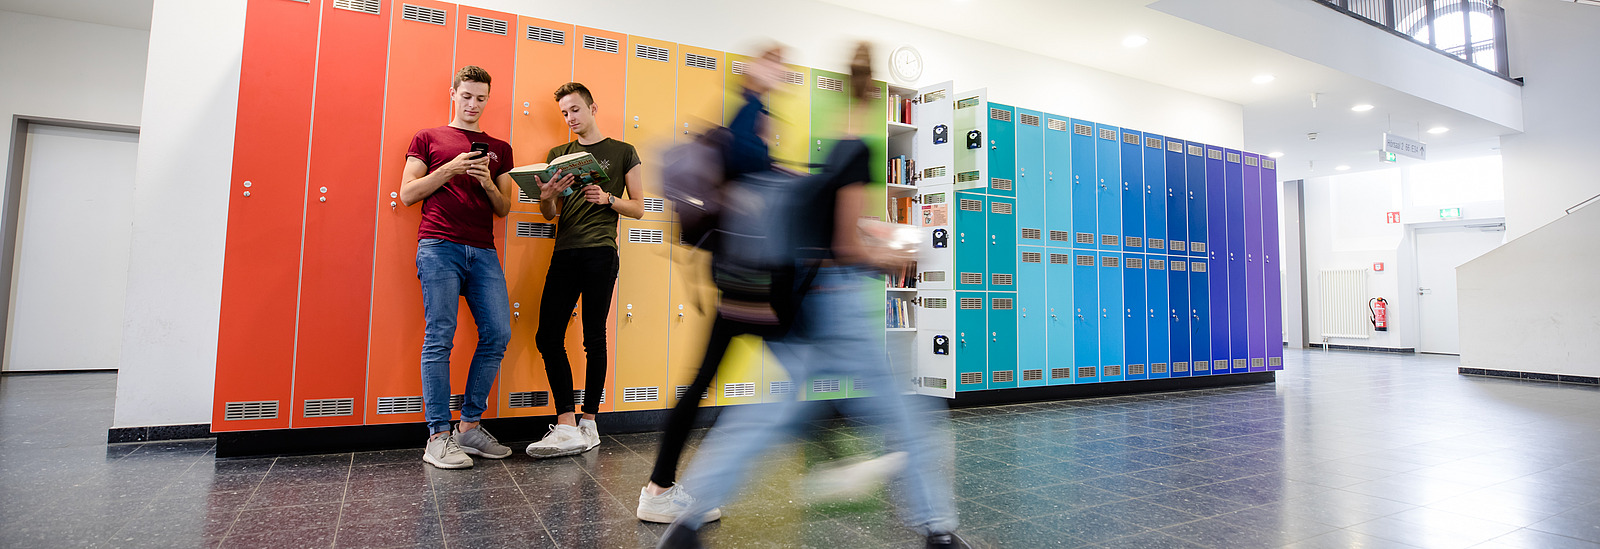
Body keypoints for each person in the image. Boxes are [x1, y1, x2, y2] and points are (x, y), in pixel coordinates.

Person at [657, 44, 967, 549]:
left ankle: (687, 522)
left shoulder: (826, 163)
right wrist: (893, 258)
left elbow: (827, 234)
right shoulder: (856, 155)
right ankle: (937, 528)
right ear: (871, 101)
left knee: (763, 414)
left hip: (799, 305)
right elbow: (847, 248)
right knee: (907, 413)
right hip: (838, 307)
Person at [635, 45, 786, 524]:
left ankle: (664, 487)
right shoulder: (747, 121)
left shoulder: (750, 124)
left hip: (740, 282)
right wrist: (754, 85)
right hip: (749, 285)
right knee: (797, 367)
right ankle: (663, 489)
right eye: (774, 64)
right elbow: (747, 159)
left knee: (705, 382)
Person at [397, 65, 519, 469]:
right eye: (466, 96)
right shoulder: (428, 137)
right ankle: (437, 436)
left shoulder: (500, 147)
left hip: (483, 251)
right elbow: (407, 193)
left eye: (481, 98)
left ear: (488, 99)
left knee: (498, 332)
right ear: (454, 93)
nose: (473, 104)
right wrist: (449, 169)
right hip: (438, 247)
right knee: (440, 337)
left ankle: (468, 427)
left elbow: (504, 207)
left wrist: (485, 180)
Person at [524, 82, 646, 458]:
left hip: (600, 252)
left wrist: (609, 199)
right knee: (547, 336)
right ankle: (565, 424)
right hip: (565, 251)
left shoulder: (623, 151)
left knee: (594, 337)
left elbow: (639, 207)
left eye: (575, 109)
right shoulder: (558, 154)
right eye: (564, 113)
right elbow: (550, 214)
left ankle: (589, 423)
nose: (570, 118)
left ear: (593, 108)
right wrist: (546, 198)